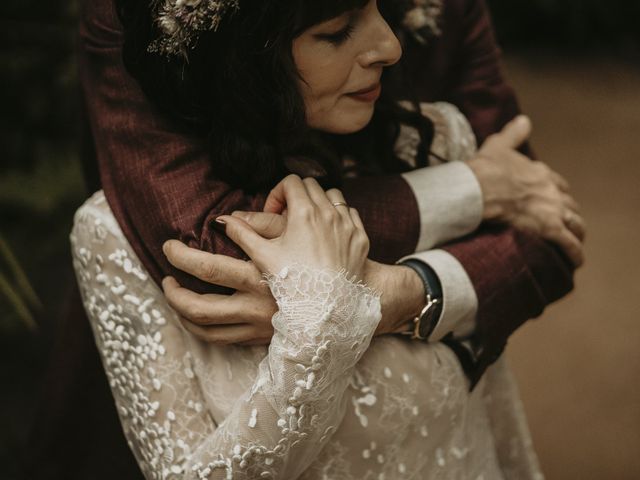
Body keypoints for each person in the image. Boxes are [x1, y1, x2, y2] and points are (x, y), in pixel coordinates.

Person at [24, 0, 583, 478]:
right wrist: (326, 323)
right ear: (246, 56)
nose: (390, 45)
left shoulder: (429, 137)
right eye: (334, 31)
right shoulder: (115, 233)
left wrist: (406, 292)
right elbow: (209, 245)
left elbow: (546, 230)